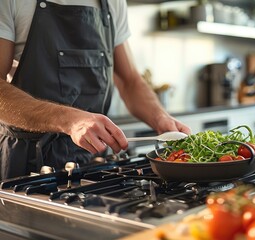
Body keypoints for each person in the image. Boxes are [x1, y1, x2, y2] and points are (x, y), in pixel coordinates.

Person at [0, 0, 191, 180]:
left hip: (92, 159)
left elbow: (130, 80)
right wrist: (70, 121)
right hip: (27, 162)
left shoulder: (113, 3)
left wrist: (160, 118)